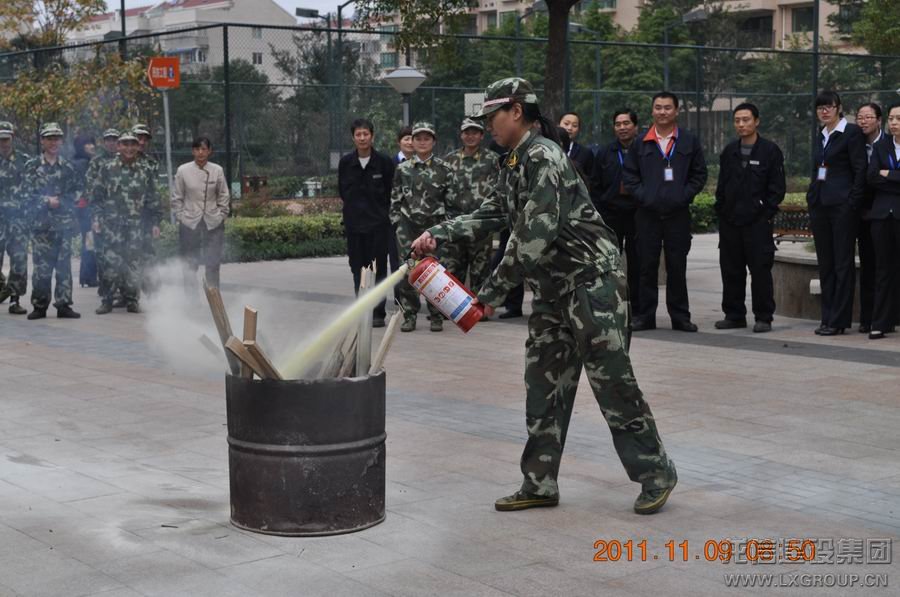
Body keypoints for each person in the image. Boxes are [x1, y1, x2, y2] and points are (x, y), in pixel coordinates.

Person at [411, 78, 677, 515]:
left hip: (593, 284)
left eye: (491, 117)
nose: (487, 127)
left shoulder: (545, 157)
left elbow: (533, 235)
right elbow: (493, 214)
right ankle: (539, 482)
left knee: (613, 383)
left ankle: (656, 473)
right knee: (543, 384)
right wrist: (436, 234)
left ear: (516, 111)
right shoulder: (514, 162)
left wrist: (489, 295)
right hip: (554, 291)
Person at [622, 91, 708, 332]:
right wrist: (644, 196)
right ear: (652, 111)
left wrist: (683, 195)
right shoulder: (641, 143)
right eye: (658, 107)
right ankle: (645, 316)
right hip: (647, 215)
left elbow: (699, 174)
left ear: (677, 111)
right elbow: (629, 176)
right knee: (646, 267)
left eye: (667, 107)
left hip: (677, 214)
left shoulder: (689, 141)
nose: (662, 112)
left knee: (677, 267)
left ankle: (680, 317)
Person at [714, 103, 786, 333]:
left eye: (746, 119)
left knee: (760, 271)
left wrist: (765, 213)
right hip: (730, 223)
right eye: (737, 120)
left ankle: (763, 316)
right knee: (731, 270)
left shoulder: (770, 151)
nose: (741, 124)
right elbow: (722, 186)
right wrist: (722, 211)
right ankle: (734, 314)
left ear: (756, 121)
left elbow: (777, 189)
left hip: (757, 224)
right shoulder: (729, 152)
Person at [807, 91, 867, 336]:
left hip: (842, 207)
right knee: (826, 264)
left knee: (843, 264)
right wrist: (812, 196)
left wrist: (852, 202)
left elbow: (860, 168)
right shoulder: (821, 135)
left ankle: (839, 320)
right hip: (821, 205)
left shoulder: (851, 133)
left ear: (839, 108)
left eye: (829, 106)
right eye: (820, 107)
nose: (824, 111)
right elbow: (817, 170)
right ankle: (827, 317)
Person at [390, 121, 453, 332]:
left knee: (435, 272)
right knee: (408, 271)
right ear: (412, 142)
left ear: (433, 141)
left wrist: (446, 229)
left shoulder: (444, 169)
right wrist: (397, 224)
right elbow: (395, 199)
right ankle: (409, 315)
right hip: (408, 229)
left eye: (427, 138)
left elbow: (450, 201)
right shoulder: (403, 169)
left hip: (434, 230)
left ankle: (436, 316)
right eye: (418, 138)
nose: (422, 142)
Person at [91, 131, 161, 314]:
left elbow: (153, 199)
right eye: (125, 144)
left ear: (138, 147)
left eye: (133, 144)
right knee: (110, 264)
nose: (129, 148)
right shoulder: (107, 168)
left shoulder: (145, 170)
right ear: (119, 146)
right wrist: (96, 219)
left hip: (136, 226)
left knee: (133, 264)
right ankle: (106, 300)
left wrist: (155, 223)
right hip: (112, 225)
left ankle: (132, 300)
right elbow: (96, 197)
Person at [338, 118, 396, 327]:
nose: (362, 138)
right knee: (357, 268)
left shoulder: (384, 162)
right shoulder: (346, 163)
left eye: (366, 134)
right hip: (354, 227)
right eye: (358, 134)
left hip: (378, 226)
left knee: (379, 268)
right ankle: (361, 309)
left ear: (372, 136)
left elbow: (391, 193)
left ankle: (378, 313)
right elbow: (343, 192)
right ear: (353, 137)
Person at [22, 122, 81, 320]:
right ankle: (40, 306)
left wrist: (62, 202)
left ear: (61, 141)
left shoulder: (69, 167)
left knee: (64, 267)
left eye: (57, 138)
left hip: (63, 225)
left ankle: (63, 305)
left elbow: (77, 193)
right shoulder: (31, 166)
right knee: (41, 269)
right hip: (40, 226)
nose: (54, 142)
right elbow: (24, 195)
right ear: (42, 141)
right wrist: (46, 201)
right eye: (49, 138)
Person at [442, 118, 499, 302]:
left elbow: (499, 189)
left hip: (481, 225)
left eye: (475, 132)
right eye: (467, 132)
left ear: (482, 136)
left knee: (480, 269)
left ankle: (478, 309)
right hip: (456, 223)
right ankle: (453, 307)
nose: (470, 136)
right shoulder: (449, 160)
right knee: (453, 268)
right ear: (461, 135)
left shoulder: (492, 160)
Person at [590, 109, 641, 308]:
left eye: (626, 123)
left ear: (635, 127)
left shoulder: (644, 150)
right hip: (611, 215)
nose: (622, 128)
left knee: (637, 262)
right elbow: (595, 184)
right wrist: (601, 210)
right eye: (618, 124)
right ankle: (608, 304)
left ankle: (636, 306)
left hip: (637, 214)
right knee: (608, 262)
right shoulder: (604, 152)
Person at [171, 137, 230, 290]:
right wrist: (181, 216)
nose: (200, 152)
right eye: (197, 149)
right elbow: (177, 197)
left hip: (213, 220)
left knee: (213, 262)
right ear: (193, 151)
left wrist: (221, 214)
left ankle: (214, 298)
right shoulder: (183, 170)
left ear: (210, 151)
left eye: (204, 149)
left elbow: (223, 194)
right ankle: (191, 300)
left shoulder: (217, 170)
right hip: (190, 221)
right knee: (189, 262)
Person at [865, 103, 900, 340]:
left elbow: (882, 175)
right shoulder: (881, 146)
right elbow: (871, 177)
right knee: (883, 270)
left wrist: (889, 174)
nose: (894, 122)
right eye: (891, 118)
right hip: (881, 215)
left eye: (898, 118)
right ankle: (880, 323)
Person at [856, 102, 884, 334]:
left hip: (886, 212)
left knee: (885, 266)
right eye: (860, 117)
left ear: (879, 120)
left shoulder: (887, 144)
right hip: (863, 215)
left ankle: (885, 316)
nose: (863, 121)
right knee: (868, 267)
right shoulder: (855, 144)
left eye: (868, 117)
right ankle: (867, 317)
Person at [0, 121, 32, 315]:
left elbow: (32, 187)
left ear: (12, 137)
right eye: (0, 139)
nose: (3, 143)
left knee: (19, 260)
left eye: (6, 139)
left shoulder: (24, 160)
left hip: (18, 219)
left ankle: (15, 298)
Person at [133, 124, 160, 293]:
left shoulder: (151, 163)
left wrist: (156, 221)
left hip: (145, 218)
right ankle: (127, 293)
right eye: (139, 137)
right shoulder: (116, 162)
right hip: (122, 219)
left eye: (145, 139)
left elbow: (154, 193)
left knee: (148, 254)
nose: (142, 142)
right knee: (126, 256)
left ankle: (150, 290)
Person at [72, 134, 98, 288]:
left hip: (83, 208)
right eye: (87, 144)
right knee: (90, 241)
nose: (92, 146)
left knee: (89, 241)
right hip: (85, 208)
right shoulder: (82, 163)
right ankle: (88, 276)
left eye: (92, 143)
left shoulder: (82, 162)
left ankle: (86, 276)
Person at [558, 112, 593, 177]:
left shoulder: (586, 153)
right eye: (566, 124)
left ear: (578, 129)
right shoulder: (548, 148)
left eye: (574, 125)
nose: (569, 128)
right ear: (558, 125)